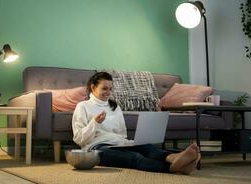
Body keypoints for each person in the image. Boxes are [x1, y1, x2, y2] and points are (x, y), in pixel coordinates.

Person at [72, 72, 201, 174]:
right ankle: (173, 168)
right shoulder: (83, 107)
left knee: (147, 148)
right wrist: (95, 123)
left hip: (119, 144)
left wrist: (129, 143)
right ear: (93, 87)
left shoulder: (114, 107)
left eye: (110, 89)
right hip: (97, 149)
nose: (108, 92)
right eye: (104, 88)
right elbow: (79, 139)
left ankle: (175, 158)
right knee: (134, 157)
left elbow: (122, 134)